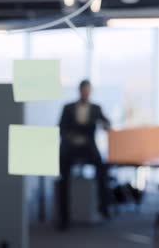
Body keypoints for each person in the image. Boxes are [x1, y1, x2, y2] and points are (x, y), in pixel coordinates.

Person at [57, 80, 112, 230]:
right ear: (79, 91)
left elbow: (107, 123)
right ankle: (64, 217)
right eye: (83, 90)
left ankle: (104, 207)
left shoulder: (96, 108)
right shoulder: (68, 108)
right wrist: (71, 138)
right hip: (71, 147)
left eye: (88, 90)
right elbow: (61, 128)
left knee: (102, 169)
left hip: (89, 147)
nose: (85, 93)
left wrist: (105, 125)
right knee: (63, 177)